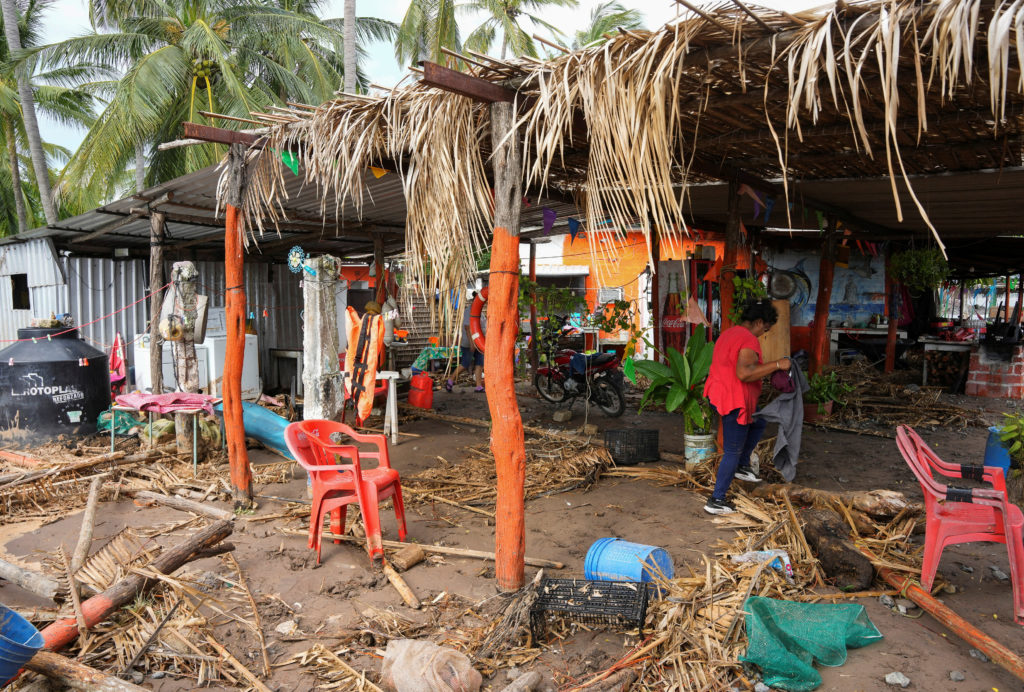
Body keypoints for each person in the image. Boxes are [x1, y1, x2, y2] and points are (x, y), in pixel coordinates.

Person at [702, 298, 791, 515]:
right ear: (759, 322)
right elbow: (744, 373)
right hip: (733, 399)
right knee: (732, 450)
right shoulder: (748, 339)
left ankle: (742, 465)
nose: (763, 334)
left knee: (758, 420)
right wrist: (777, 365)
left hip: (719, 393)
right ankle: (717, 500)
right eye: (765, 329)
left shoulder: (729, 334)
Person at [446, 291, 484, 393]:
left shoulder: (480, 312)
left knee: (480, 363)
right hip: (469, 343)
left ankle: (478, 386)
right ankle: (451, 379)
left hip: (479, 342)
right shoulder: (468, 311)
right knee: (465, 364)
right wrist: (472, 344)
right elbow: (467, 328)